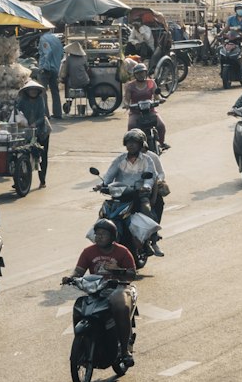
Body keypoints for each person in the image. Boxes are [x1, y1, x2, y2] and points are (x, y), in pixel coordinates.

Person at [62, 218, 137, 365]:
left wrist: (117, 270)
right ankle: (84, 346)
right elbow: (79, 272)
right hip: (97, 290)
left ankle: (125, 352)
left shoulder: (122, 252)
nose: (99, 237)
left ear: (112, 236)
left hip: (120, 288)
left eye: (103, 234)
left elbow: (132, 274)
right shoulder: (88, 252)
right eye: (97, 234)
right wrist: (71, 278)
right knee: (80, 306)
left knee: (120, 306)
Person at [102, 128, 166, 253]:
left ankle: (152, 238)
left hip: (139, 194)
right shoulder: (120, 159)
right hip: (121, 194)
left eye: (134, 142)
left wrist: (146, 187)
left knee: (146, 209)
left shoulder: (148, 159)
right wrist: (103, 184)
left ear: (141, 144)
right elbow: (109, 174)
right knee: (105, 211)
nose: (131, 145)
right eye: (128, 142)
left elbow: (151, 176)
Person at [14, 77, 51, 187]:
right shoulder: (22, 100)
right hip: (26, 131)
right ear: (27, 91)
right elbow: (17, 112)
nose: (33, 92)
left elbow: (42, 116)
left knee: (42, 155)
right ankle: (20, 180)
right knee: (22, 154)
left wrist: (35, 123)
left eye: (35, 90)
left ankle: (42, 180)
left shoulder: (40, 100)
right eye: (31, 90)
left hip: (41, 132)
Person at [123, 62, 168, 148]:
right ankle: (131, 147)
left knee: (161, 125)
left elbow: (156, 95)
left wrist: (160, 99)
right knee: (131, 126)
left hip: (150, 111)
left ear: (146, 72)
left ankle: (162, 143)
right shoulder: (130, 86)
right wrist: (126, 104)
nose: (140, 75)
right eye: (138, 73)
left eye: (142, 72)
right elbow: (126, 99)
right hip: (135, 112)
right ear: (135, 75)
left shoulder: (151, 82)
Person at [37, 24, 65, 119]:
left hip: (46, 69)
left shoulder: (43, 39)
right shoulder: (56, 39)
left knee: (43, 92)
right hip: (55, 69)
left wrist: (45, 67)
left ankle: (45, 114)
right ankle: (58, 113)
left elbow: (47, 52)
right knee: (55, 91)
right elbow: (61, 53)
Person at [61, 40, 91, 110]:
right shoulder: (83, 59)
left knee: (70, 87)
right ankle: (93, 106)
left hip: (73, 83)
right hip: (84, 82)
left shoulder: (68, 59)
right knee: (90, 90)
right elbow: (87, 68)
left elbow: (66, 71)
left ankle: (69, 102)